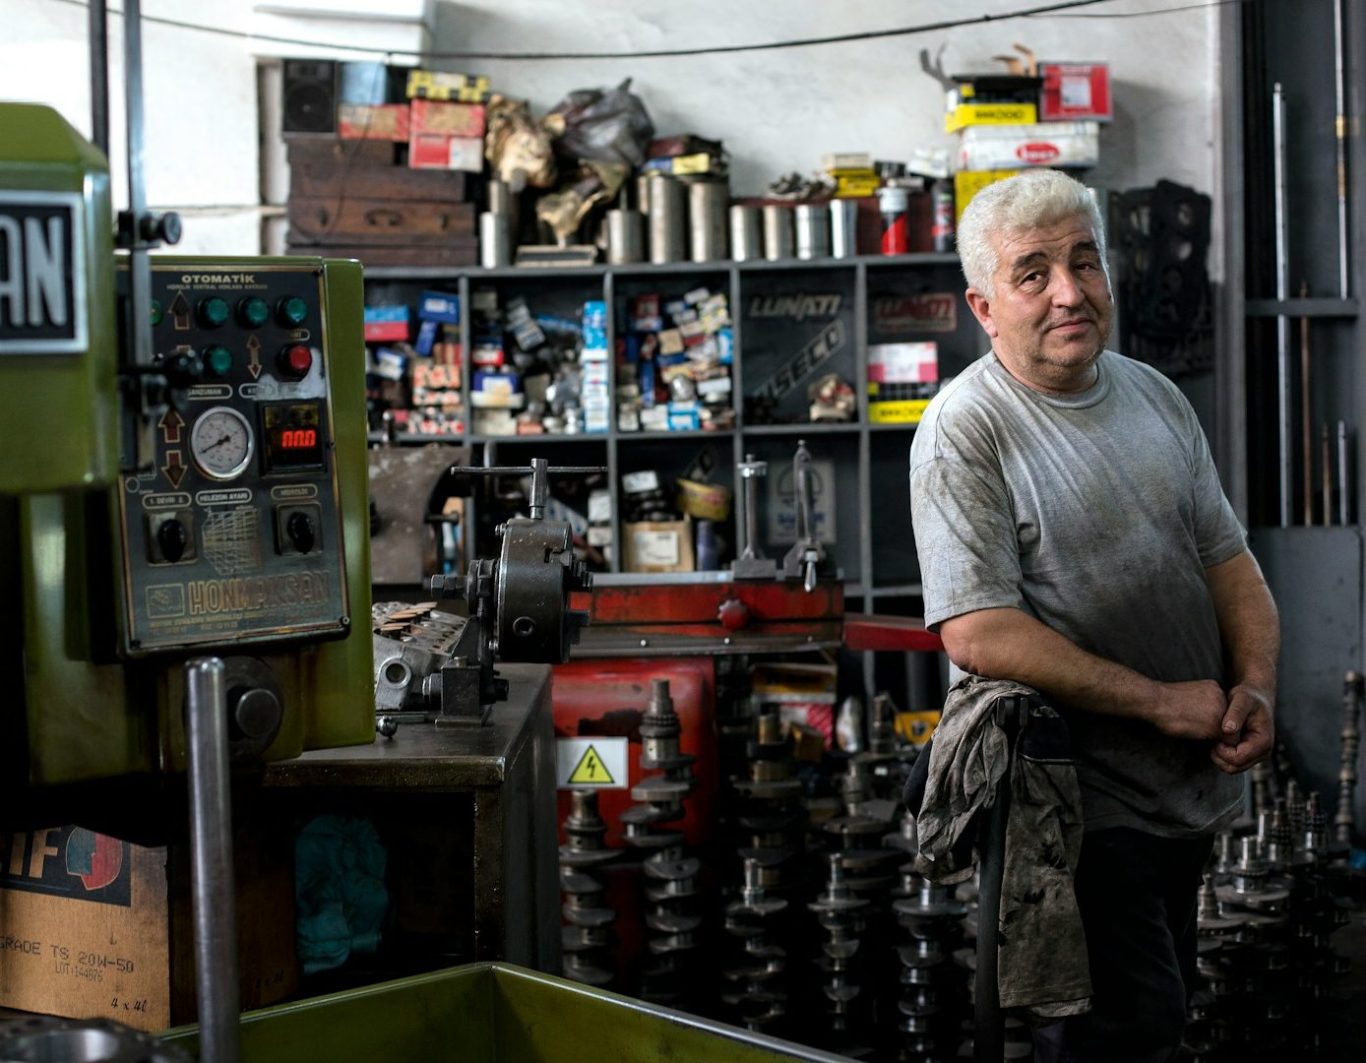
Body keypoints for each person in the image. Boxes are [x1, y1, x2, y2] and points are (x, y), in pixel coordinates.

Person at [908, 168, 1279, 1062]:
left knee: (1159, 1010)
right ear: (984, 307)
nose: (1070, 292)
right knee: (1128, 1030)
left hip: (1184, 785)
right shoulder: (966, 429)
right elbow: (978, 630)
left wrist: (1258, 685)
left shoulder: (1154, 395)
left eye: (1085, 262)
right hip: (1075, 804)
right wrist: (1160, 701)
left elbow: (1230, 563)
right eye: (1033, 273)